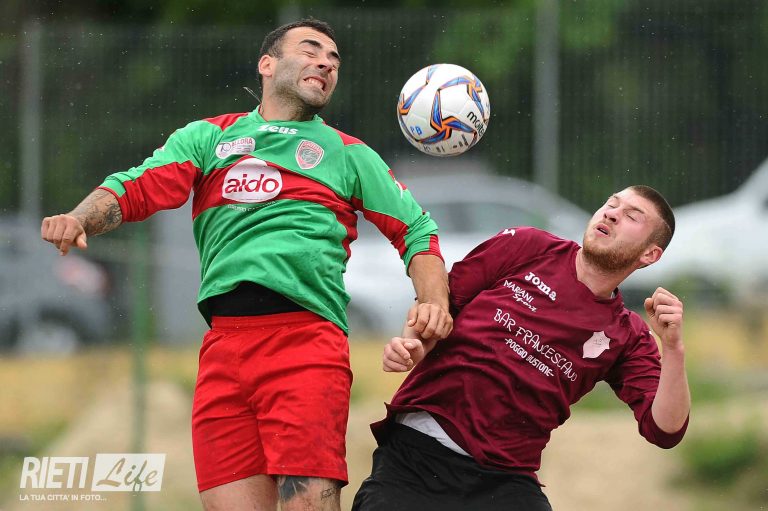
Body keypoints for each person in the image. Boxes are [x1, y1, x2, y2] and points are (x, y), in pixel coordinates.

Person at [40, 18, 453, 511]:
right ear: (267, 64)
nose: (326, 63)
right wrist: (79, 217)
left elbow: (417, 231)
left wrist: (433, 302)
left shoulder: (349, 154)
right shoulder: (207, 137)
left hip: (305, 346)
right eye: (311, 50)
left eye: (334, 59)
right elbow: (138, 185)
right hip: (223, 351)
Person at [353, 185, 690, 511]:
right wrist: (413, 343)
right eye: (612, 204)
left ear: (650, 254)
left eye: (632, 216)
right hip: (417, 456)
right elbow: (439, 305)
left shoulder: (627, 335)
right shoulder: (528, 246)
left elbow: (665, 430)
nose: (612, 214)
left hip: (504, 480)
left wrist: (673, 348)